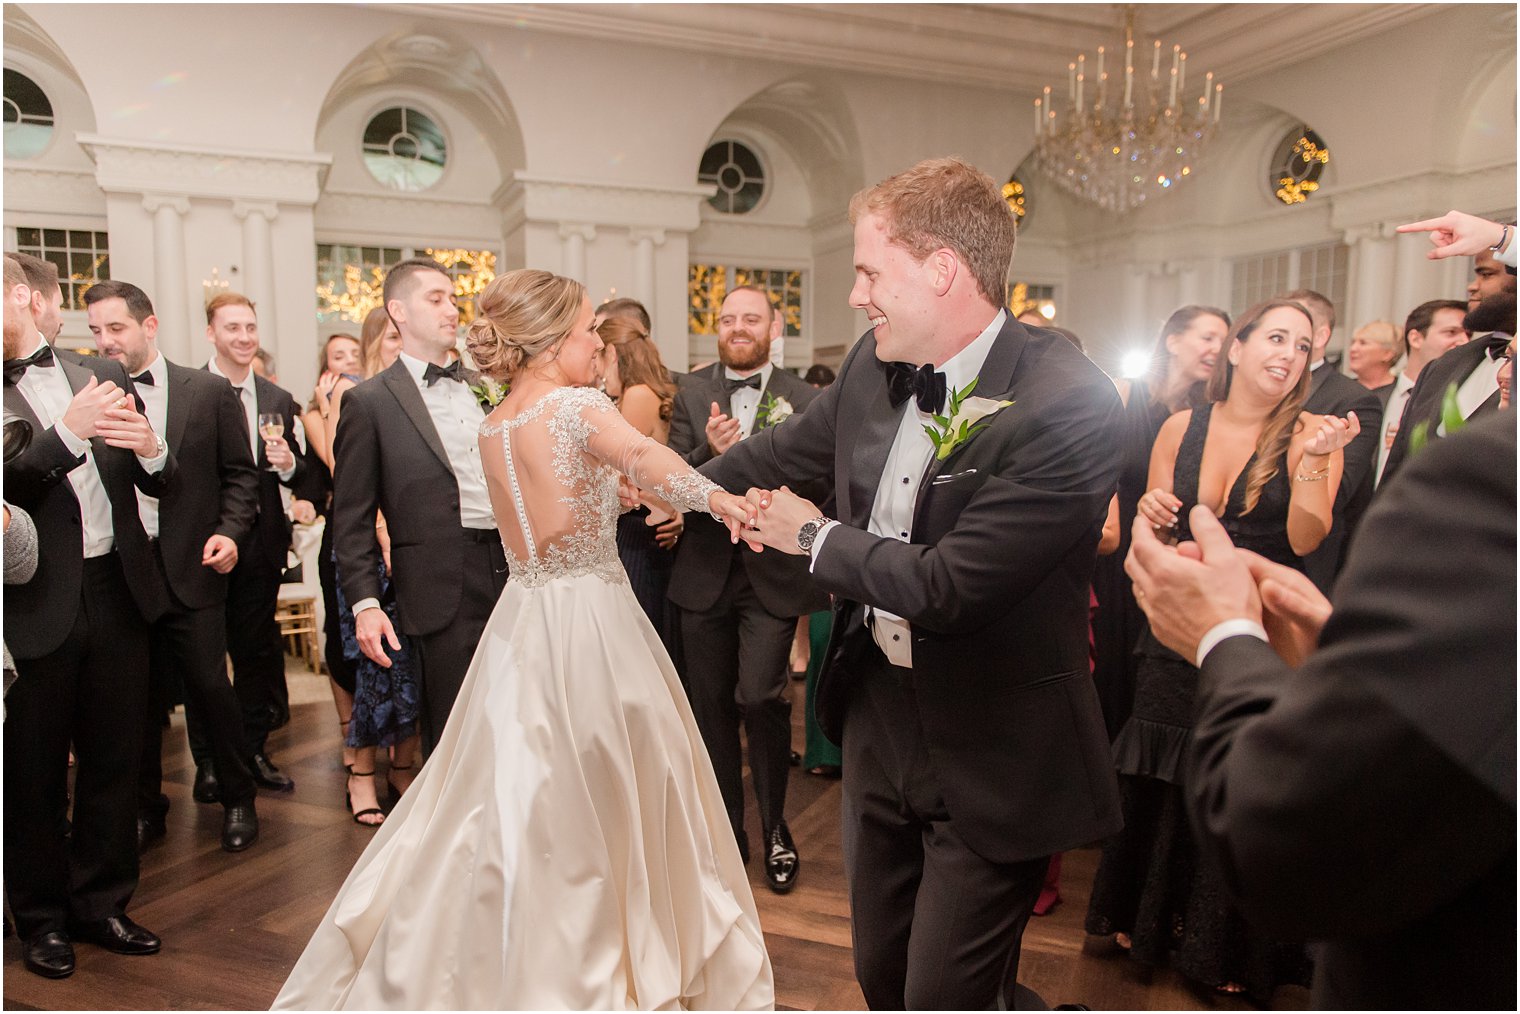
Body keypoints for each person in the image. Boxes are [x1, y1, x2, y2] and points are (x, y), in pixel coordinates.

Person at [273, 269, 773, 1009]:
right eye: (585, 332)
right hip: (593, 619)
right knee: (612, 784)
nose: (597, 344)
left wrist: (616, 492)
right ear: (548, 342)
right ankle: (604, 953)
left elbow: (565, 500)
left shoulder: (495, 421)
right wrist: (719, 498)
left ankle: (505, 940)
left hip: (524, 614)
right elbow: (644, 456)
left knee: (508, 787)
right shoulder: (575, 404)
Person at [704, 157, 1123, 1009]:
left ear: (942, 270)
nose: (857, 296)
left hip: (994, 737)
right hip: (878, 719)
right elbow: (779, 456)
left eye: (868, 272)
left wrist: (812, 535)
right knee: (882, 976)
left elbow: (954, 584)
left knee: (944, 998)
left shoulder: (1069, 401)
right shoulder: (872, 363)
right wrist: (667, 480)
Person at [1125, 408, 1515, 1009]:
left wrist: (1224, 635)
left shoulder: (1495, 475)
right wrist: (1340, 659)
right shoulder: (1186, 425)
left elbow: (1278, 842)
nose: (1505, 366)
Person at [1086, 298, 1360, 999]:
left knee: (1235, 772)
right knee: (1162, 770)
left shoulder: (1305, 434)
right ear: (1236, 349)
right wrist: (1149, 514)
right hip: (1173, 625)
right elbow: (1146, 537)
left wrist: (1317, 463)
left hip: (1253, 631)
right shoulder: (1181, 426)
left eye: (1302, 346)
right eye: (1276, 336)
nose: (1289, 353)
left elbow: (1306, 539)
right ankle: (1147, 928)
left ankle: (1224, 951)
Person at [3, 252, 173, 979]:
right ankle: (40, 920)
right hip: (35, 600)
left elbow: (145, 473)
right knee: (34, 772)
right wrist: (68, 435)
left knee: (115, 758)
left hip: (117, 589)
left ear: (18, 296)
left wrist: (155, 453)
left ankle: (103, 901)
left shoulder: (95, 372)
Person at [84, 280, 263, 854]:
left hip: (194, 564)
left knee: (212, 687)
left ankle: (238, 796)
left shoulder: (208, 391)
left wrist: (230, 532)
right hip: (122, 570)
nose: (105, 341)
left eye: (116, 328)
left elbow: (241, 476)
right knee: (133, 701)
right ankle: (146, 808)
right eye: (95, 331)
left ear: (149, 326)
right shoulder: (84, 395)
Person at [666, 284, 826, 892]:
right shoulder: (690, 391)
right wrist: (709, 451)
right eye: (728, 318)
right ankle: (727, 833)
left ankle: (776, 826)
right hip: (704, 572)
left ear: (773, 326)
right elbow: (671, 477)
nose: (737, 326)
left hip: (770, 576)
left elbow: (815, 475)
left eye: (750, 318)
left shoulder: (805, 398)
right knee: (708, 712)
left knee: (761, 698)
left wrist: (760, 473)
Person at [332, 260, 505, 756]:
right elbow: (352, 518)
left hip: (515, 569)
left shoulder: (491, 387)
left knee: (519, 714)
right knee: (454, 732)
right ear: (398, 311)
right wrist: (365, 603)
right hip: (437, 582)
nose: (452, 309)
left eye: (454, 299)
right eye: (436, 299)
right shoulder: (369, 402)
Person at [1092, 305, 1230, 739]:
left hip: (1173, 557)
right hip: (1115, 557)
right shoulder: (1122, 393)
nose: (1216, 349)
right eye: (1207, 337)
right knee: (1109, 672)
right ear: (1172, 340)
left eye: (1223, 341)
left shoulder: (1208, 415)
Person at [195, 291, 309, 794]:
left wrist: (287, 465)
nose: (243, 337)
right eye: (232, 328)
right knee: (202, 660)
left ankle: (253, 751)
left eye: (250, 328)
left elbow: (305, 476)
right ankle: (208, 760)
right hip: (205, 546)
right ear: (211, 334)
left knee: (256, 655)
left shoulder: (277, 399)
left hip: (262, 547)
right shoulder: (191, 390)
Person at [1278, 289, 1382, 595]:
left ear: (1320, 336)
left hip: (1305, 556)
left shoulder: (1353, 399)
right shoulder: (1259, 390)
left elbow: (1339, 491)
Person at [599, 313, 684, 649]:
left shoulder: (636, 395)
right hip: (643, 527)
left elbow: (615, 468)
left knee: (632, 638)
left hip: (636, 531)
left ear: (613, 354)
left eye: (598, 356)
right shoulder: (644, 393)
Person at [1381, 288, 1514, 484]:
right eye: (1508, 358)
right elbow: (1398, 465)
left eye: (1487, 274)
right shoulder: (1441, 369)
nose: (1503, 373)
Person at [1375, 298, 1470, 484]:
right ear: (1416, 338)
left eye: (1468, 334)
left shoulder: (1458, 405)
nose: (1464, 341)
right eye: (1451, 332)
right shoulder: (1371, 398)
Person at [1345, 320, 1401, 399]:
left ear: (1387, 354)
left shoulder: (1403, 393)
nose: (1352, 349)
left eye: (1363, 343)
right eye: (1353, 343)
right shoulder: (1340, 390)